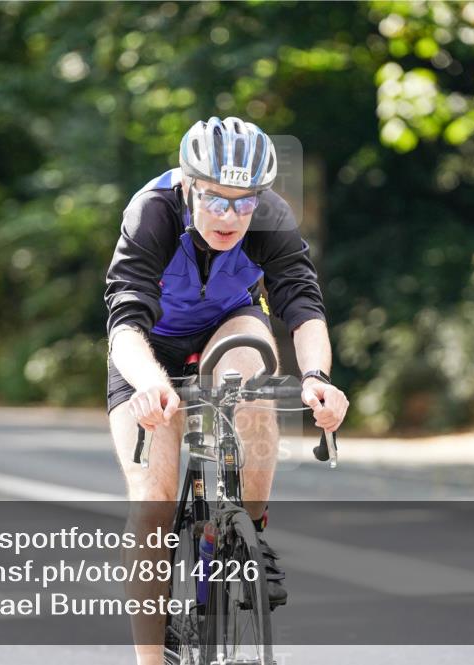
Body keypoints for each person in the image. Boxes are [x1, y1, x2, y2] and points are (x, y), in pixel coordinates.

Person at [105, 116, 349, 665]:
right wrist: (150, 384)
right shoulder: (152, 212)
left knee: (252, 382)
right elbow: (125, 323)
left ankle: (248, 534)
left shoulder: (269, 216)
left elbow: (302, 303)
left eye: (244, 203)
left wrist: (317, 378)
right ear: (189, 185)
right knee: (152, 505)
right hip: (150, 345)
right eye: (216, 199)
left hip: (228, 324)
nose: (230, 216)